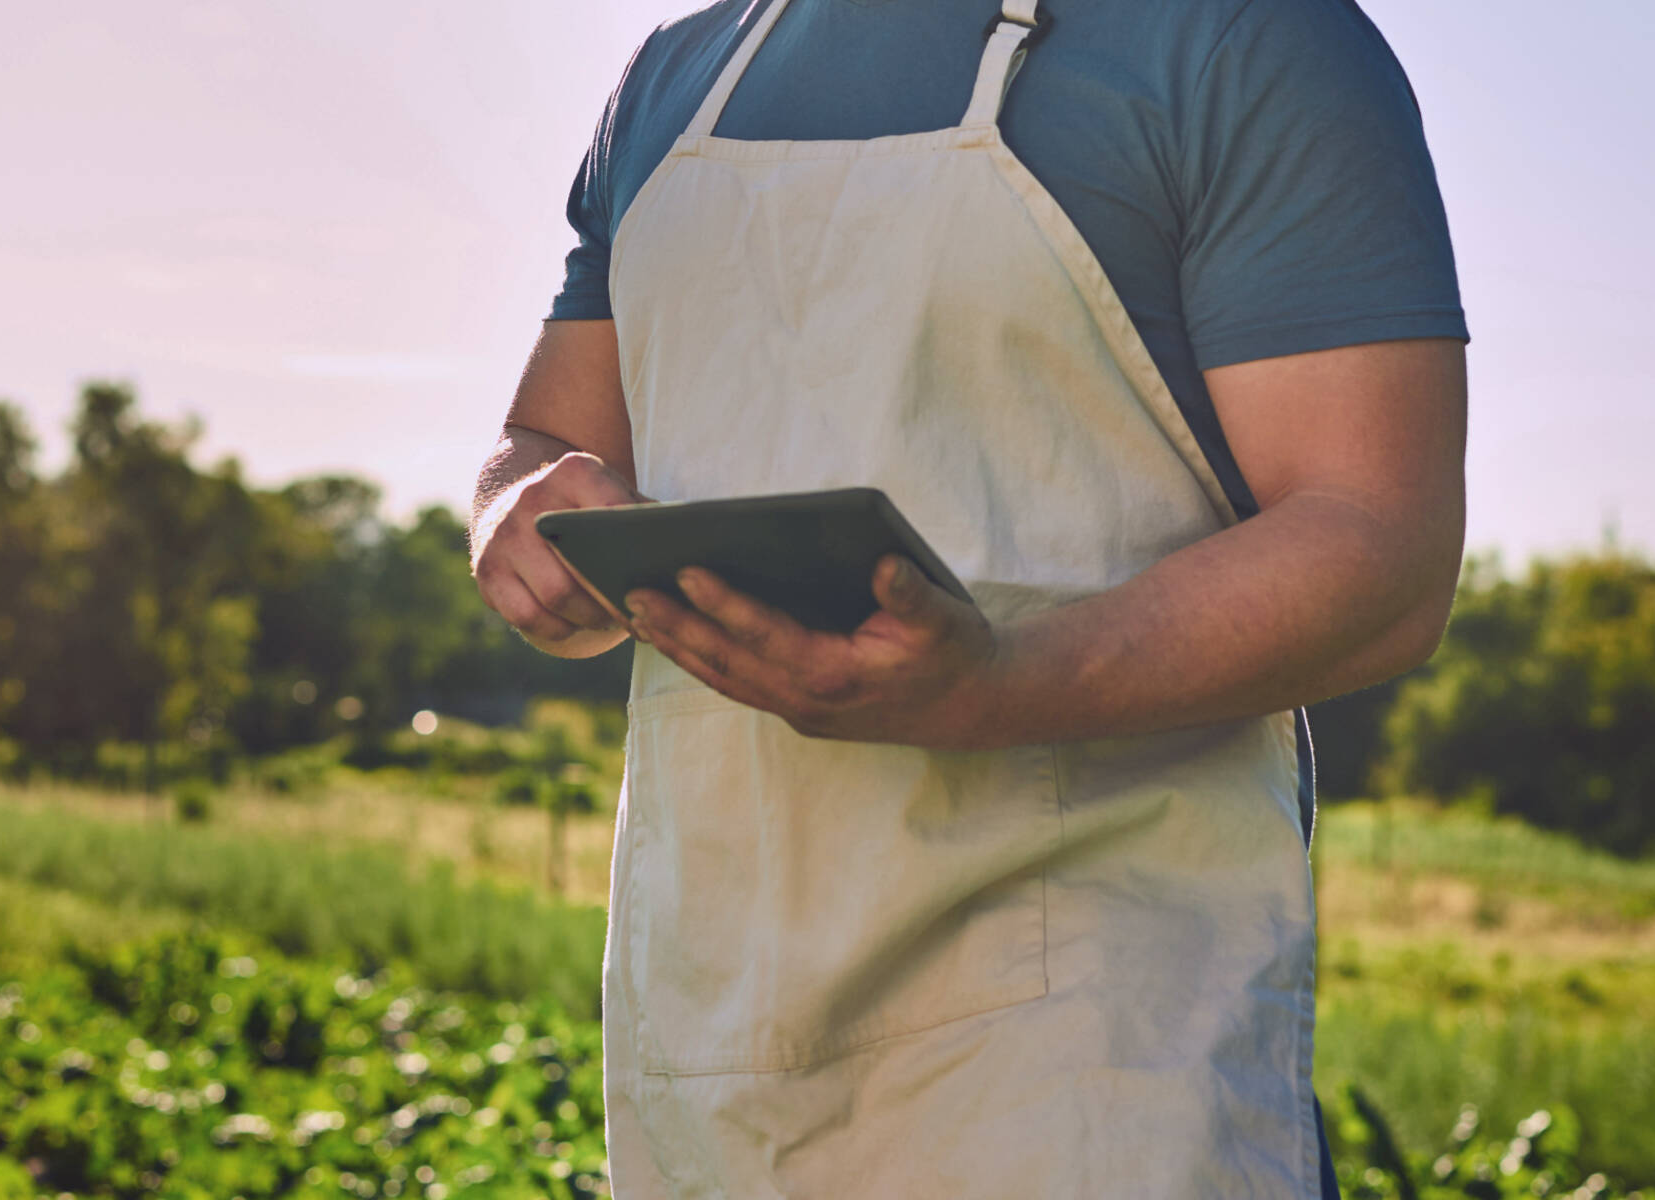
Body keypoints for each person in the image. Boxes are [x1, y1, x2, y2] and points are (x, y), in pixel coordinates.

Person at [468, 0, 1467, 1195]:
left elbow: (1376, 543)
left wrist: (994, 687)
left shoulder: (1242, 41)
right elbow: (546, 437)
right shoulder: (676, 75)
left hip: (1092, 1052)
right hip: (711, 1025)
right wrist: (519, 507)